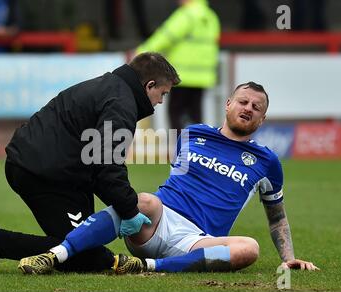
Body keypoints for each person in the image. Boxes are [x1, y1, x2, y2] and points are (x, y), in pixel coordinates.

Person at [19, 82, 319, 274]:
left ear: (262, 120)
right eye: (243, 102)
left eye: (257, 107)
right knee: (146, 200)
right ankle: (54, 255)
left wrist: (287, 257)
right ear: (228, 104)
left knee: (249, 248)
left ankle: (145, 267)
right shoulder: (192, 134)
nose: (248, 108)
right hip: (155, 224)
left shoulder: (267, 162)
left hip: (200, 241)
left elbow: (277, 217)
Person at [0, 52, 181, 273]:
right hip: (42, 173)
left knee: (85, 243)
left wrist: (123, 206)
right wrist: (128, 210)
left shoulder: (111, 88)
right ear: (149, 85)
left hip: (51, 168)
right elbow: (107, 164)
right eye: (162, 93)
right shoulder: (121, 104)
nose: (160, 102)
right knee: (84, 253)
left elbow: (98, 165)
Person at [133, 0, 220, 135]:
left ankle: (180, 149)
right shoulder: (211, 17)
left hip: (183, 75)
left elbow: (165, 37)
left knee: (176, 113)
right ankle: (198, 148)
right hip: (203, 76)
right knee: (195, 115)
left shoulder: (185, 15)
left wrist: (140, 53)